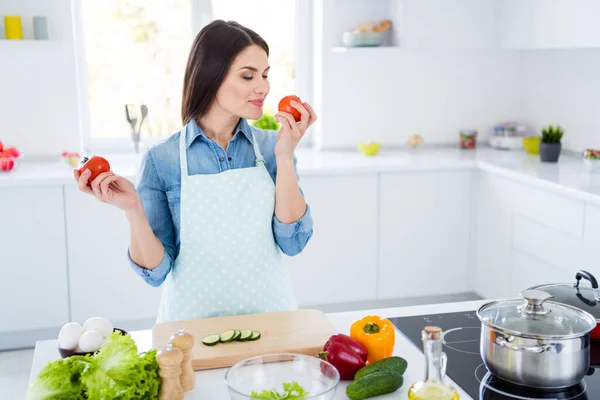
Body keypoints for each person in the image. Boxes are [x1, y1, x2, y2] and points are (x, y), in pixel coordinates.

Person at [74, 20, 315, 323]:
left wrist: (285, 157)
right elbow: (156, 272)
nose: (263, 87)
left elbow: (293, 243)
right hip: (191, 333)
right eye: (247, 76)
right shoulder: (162, 160)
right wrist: (132, 209)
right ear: (210, 76)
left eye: (265, 75)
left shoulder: (274, 147)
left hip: (272, 322)